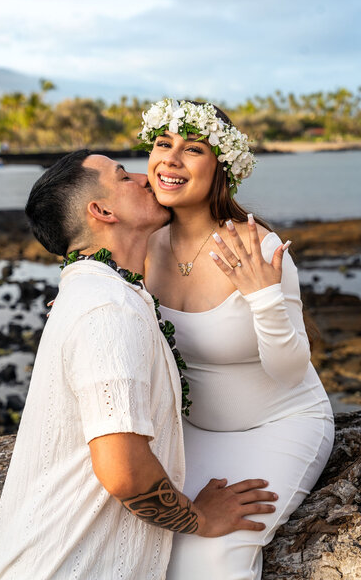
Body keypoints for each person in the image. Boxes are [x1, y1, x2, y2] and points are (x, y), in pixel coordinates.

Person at [0, 150, 278, 580]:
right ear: (101, 211)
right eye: (123, 177)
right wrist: (201, 519)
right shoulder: (107, 309)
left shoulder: (99, 291)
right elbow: (123, 471)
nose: (145, 177)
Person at [142, 99, 335, 580]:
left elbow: (291, 369)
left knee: (213, 558)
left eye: (192, 149)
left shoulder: (257, 246)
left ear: (221, 167)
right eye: (163, 144)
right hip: (189, 433)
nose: (170, 158)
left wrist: (263, 295)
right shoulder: (139, 246)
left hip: (279, 424)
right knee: (149, 544)